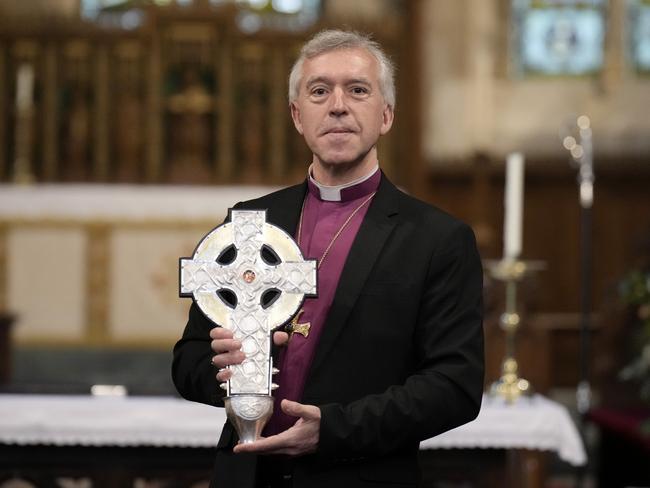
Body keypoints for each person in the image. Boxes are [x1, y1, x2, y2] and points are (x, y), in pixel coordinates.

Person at [172, 29, 484, 488]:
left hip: (360, 475)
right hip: (246, 475)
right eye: (319, 91)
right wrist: (225, 373)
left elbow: (455, 387)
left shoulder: (437, 239)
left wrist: (334, 430)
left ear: (386, 114)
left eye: (358, 90)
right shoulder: (248, 224)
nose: (338, 105)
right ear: (298, 116)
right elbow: (188, 359)